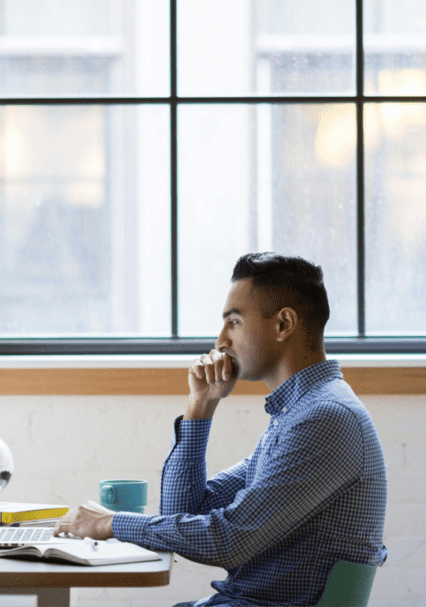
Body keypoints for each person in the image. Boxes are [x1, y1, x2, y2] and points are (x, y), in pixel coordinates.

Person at [55, 252, 387, 606]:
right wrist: (201, 405)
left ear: (283, 325)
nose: (220, 342)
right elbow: (181, 513)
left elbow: (229, 540)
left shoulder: (324, 419)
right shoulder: (296, 416)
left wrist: (110, 524)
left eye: (234, 322)